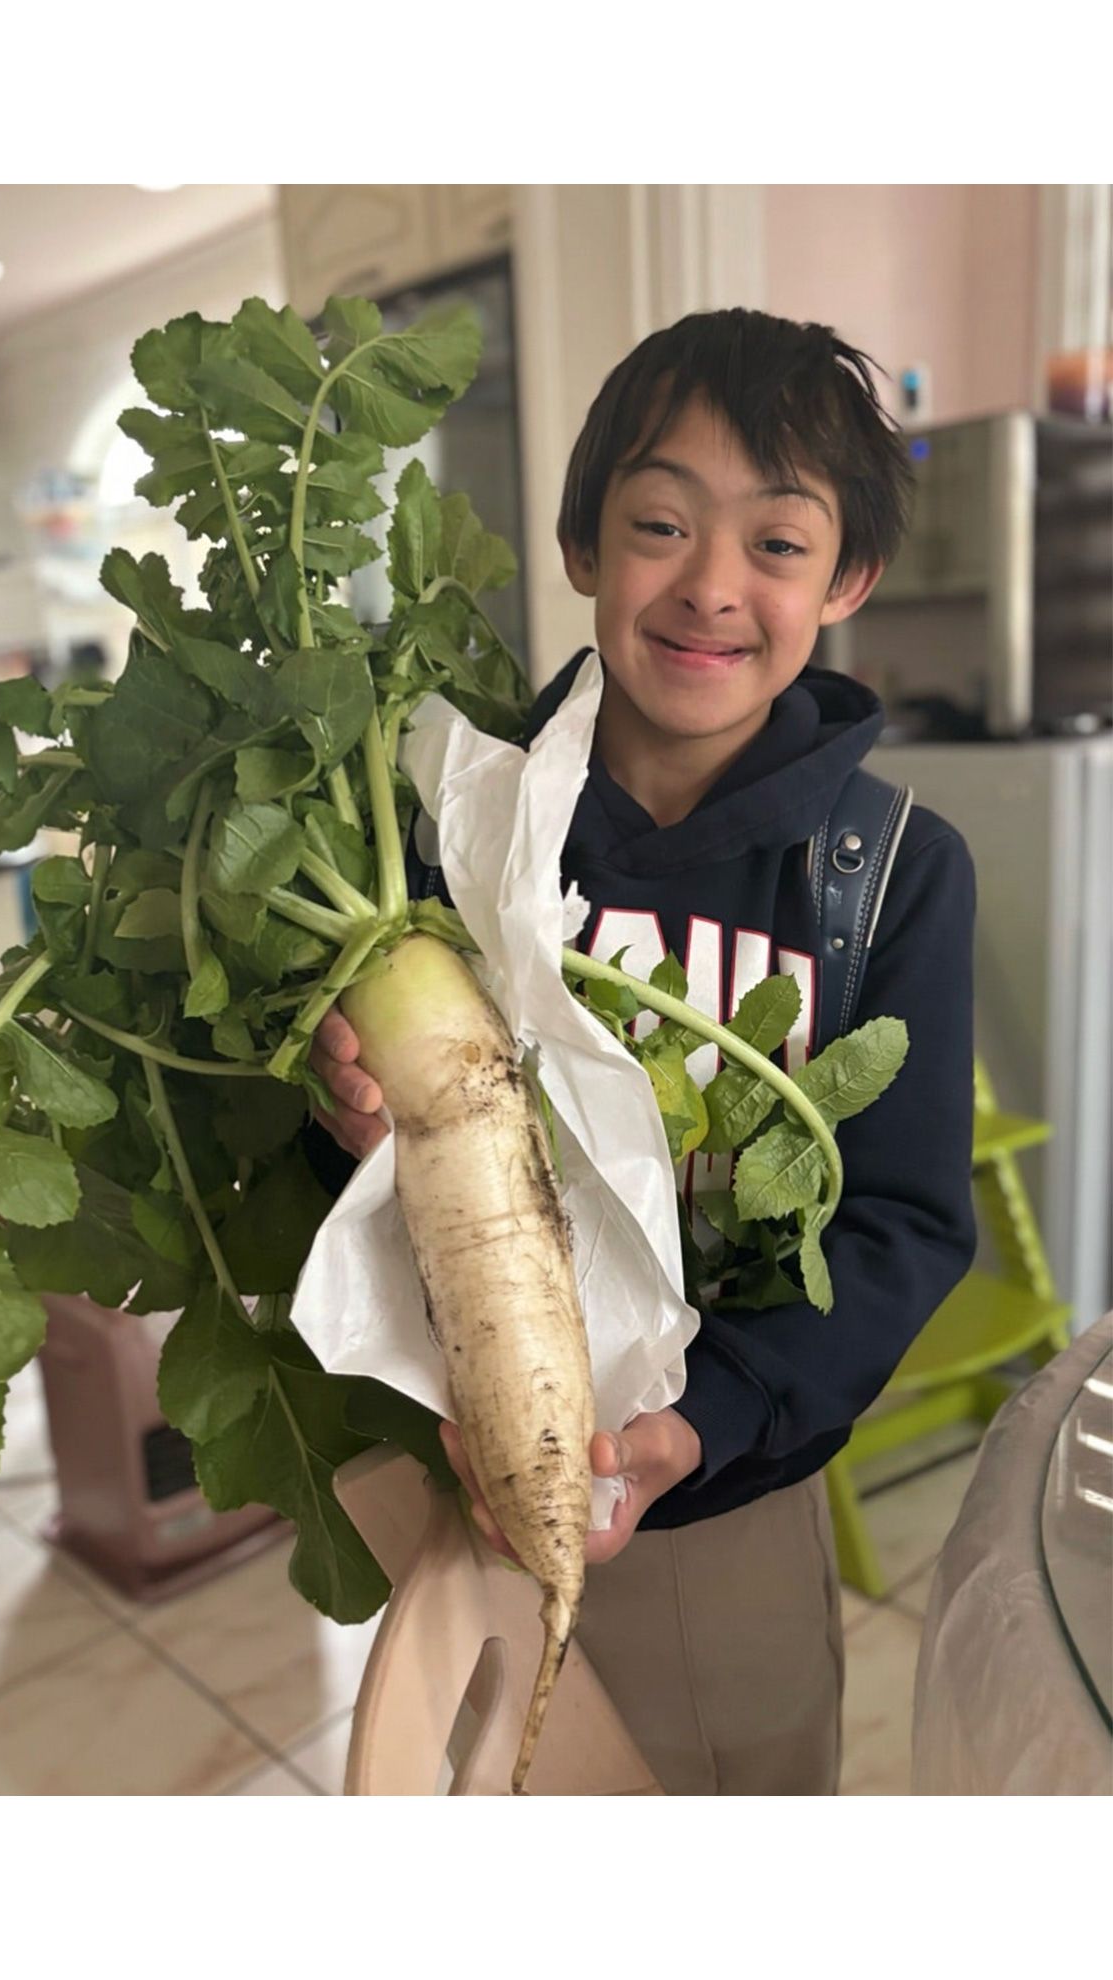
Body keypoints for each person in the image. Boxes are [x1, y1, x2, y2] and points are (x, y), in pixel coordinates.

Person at [306, 307, 977, 1794]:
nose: (712, 588)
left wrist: (700, 1425)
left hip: (722, 1505)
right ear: (584, 544)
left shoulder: (893, 875)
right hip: (467, 1470)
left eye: (780, 545)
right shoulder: (449, 823)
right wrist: (350, 1115)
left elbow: (907, 1228)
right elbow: (365, 1173)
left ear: (848, 579)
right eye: (662, 523)